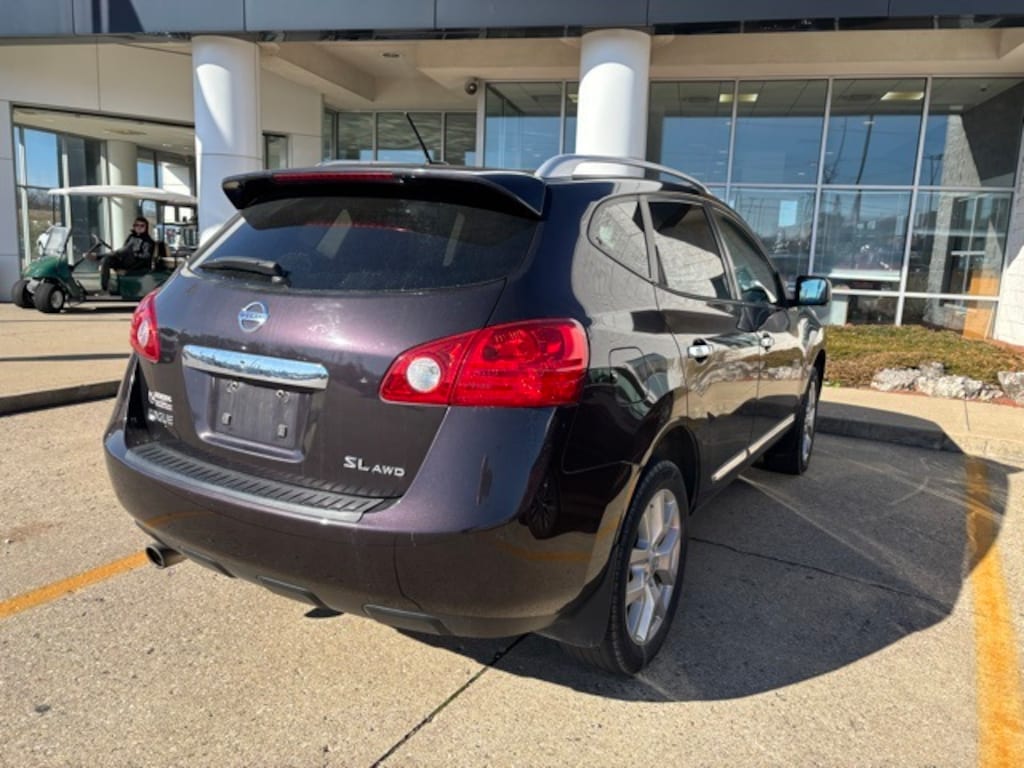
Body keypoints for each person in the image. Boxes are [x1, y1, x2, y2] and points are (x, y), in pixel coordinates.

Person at [100, 217, 155, 293]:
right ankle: (104, 287)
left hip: (137, 264)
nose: (139, 227)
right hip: (127, 261)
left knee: (126, 250)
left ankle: (99, 256)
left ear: (146, 227)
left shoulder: (148, 241)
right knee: (106, 259)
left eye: (142, 226)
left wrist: (134, 254)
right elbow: (123, 252)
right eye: (136, 225)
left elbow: (146, 257)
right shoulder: (131, 237)